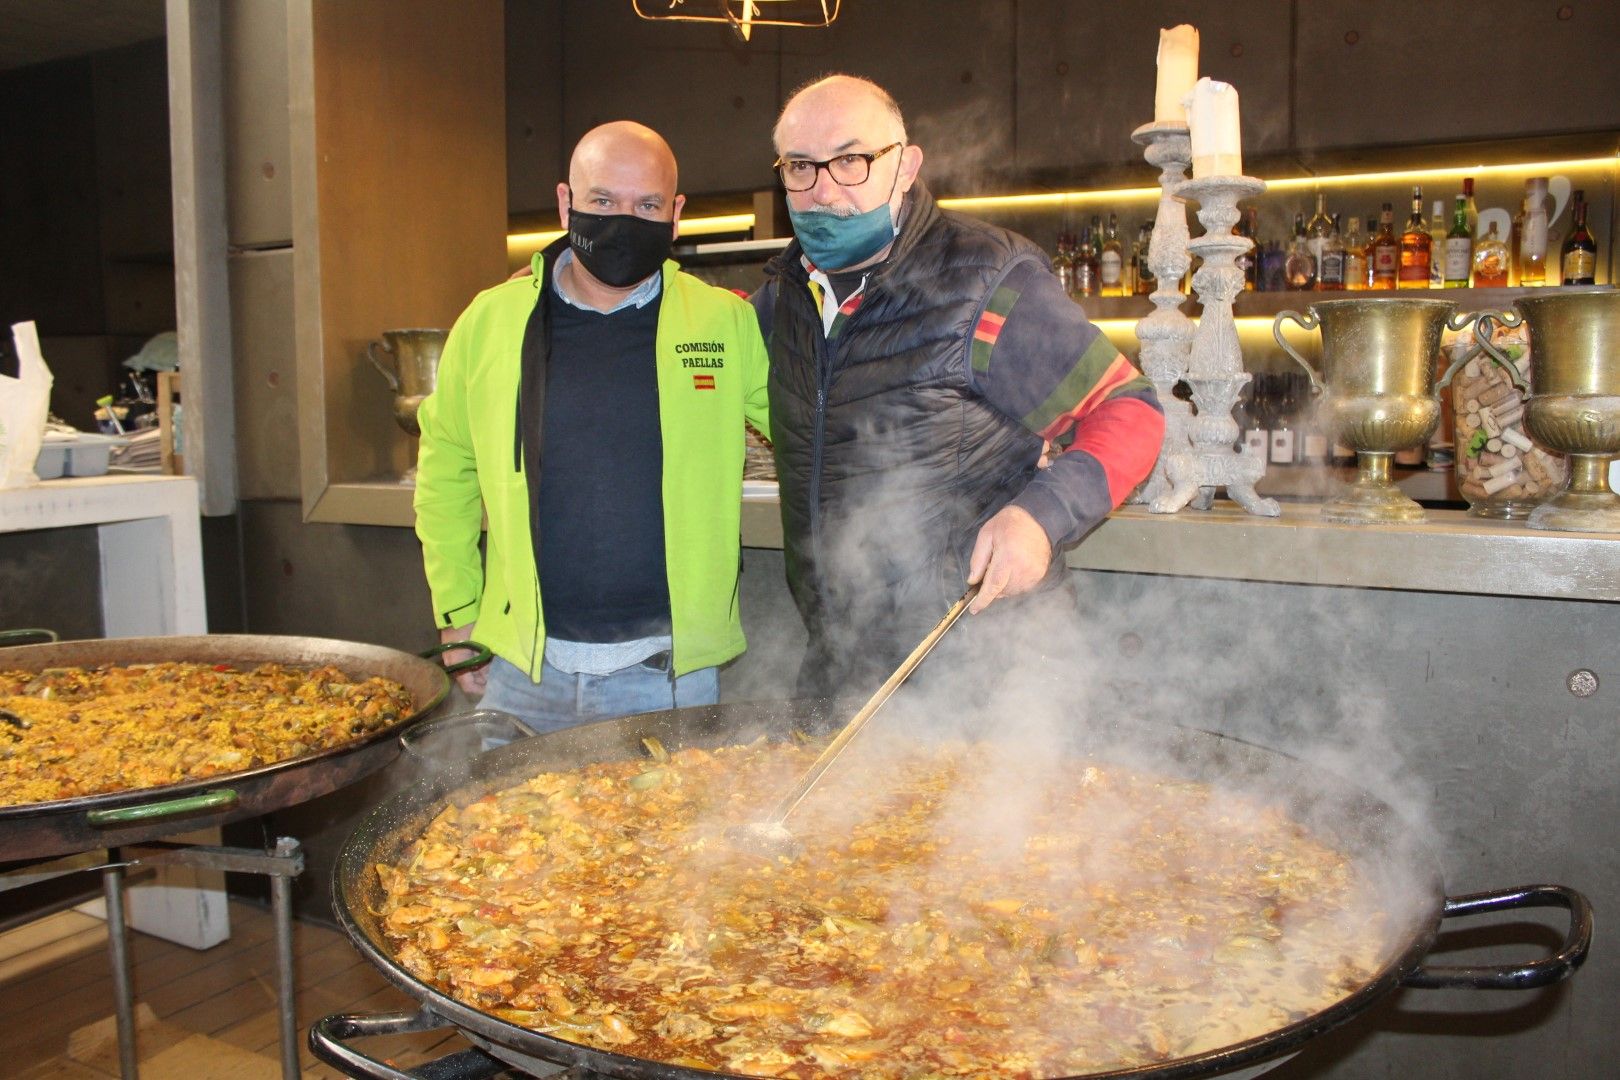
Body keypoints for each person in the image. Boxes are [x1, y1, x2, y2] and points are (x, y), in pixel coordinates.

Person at [754, 75, 1166, 697]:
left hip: (986, 672)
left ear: (906, 166)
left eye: (851, 160)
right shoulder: (781, 302)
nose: (824, 190)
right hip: (844, 668)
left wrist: (1041, 515)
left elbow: (1130, 409)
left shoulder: (987, 283)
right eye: (801, 167)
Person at [415, 121, 770, 735]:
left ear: (676, 214)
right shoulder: (490, 322)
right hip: (521, 673)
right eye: (603, 201)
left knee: (677, 835)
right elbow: (446, 470)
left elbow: (810, 439)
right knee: (506, 835)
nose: (623, 220)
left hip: (670, 675)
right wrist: (457, 613)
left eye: (647, 205)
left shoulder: (724, 323)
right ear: (566, 203)